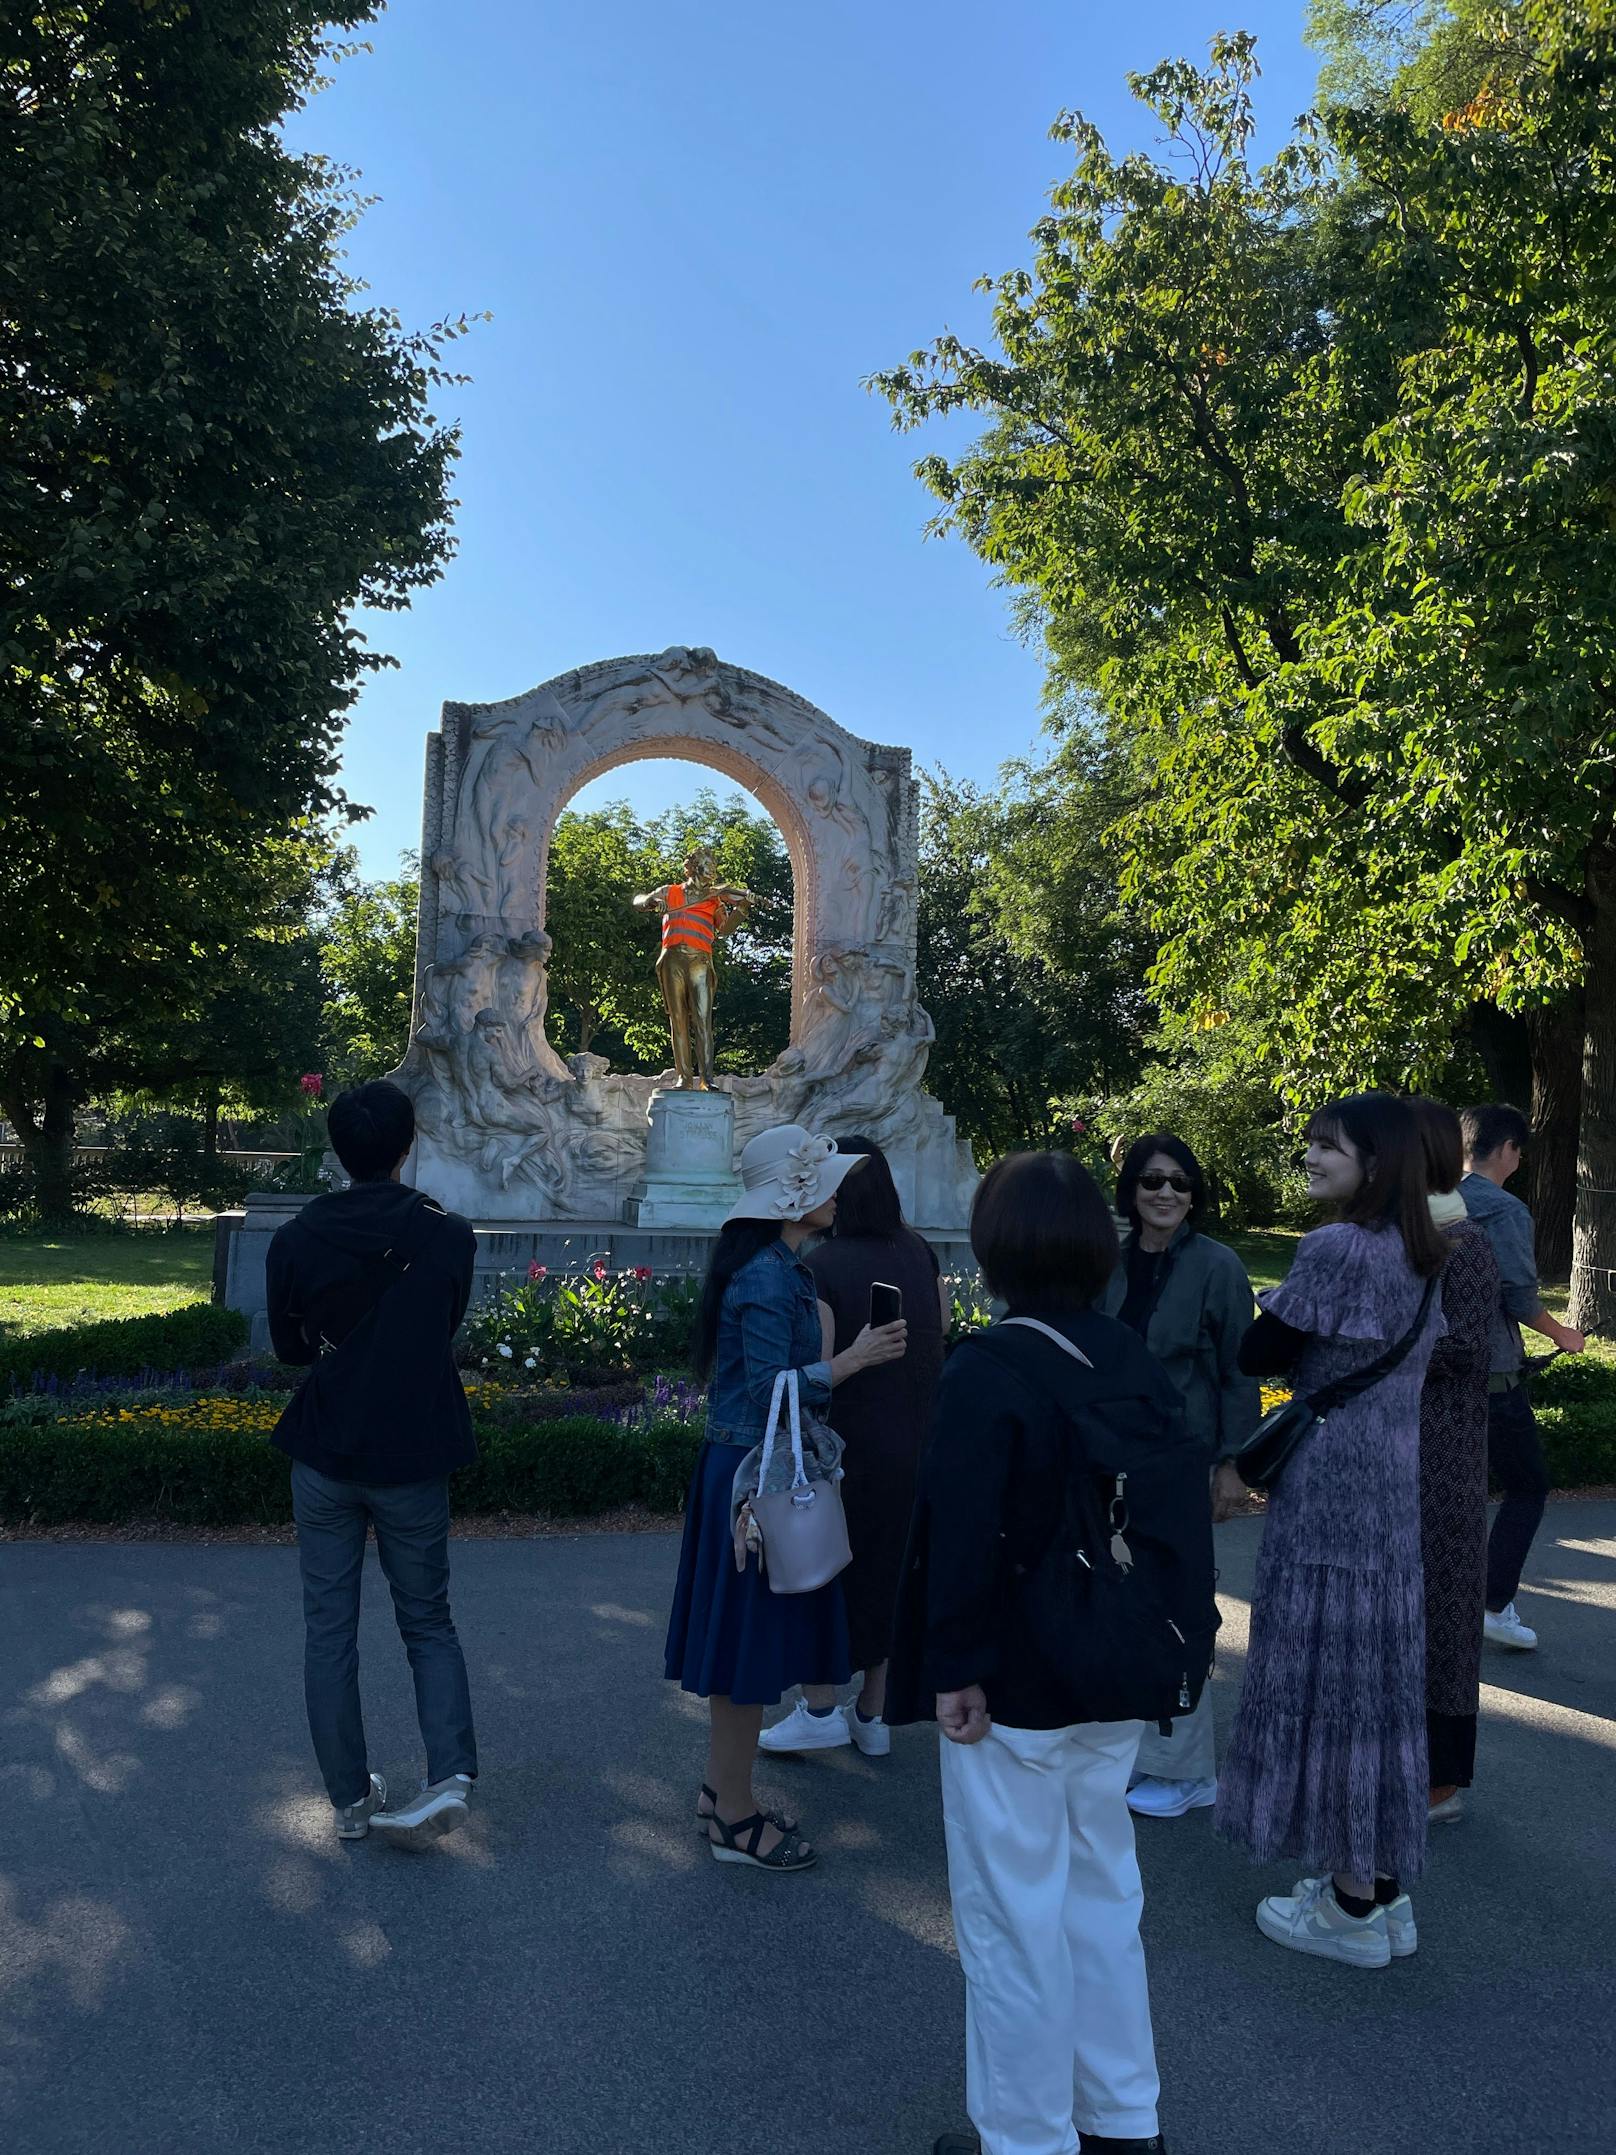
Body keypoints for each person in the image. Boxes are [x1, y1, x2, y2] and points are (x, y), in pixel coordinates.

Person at [890, 1151, 1194, 2155]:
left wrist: (952, 1667)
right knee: (1103, 1896)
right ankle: (1121, 2118)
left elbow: (960, 1536)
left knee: (1010, 1916)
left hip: (1012, 1679)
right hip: (1115, 1663)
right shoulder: (1128, 1355)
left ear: (994, 1245)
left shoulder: (988, 1366)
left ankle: (1024, 2136)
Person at [1213, 1092, 1446, 1967]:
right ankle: (1382, 1889)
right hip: (1390, 1498)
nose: (1309, 1156)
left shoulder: (1338, 1248)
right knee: (1378, 1686)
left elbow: (1258, 1354)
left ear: (1375, 1161)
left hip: (1330, 1495)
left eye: (1327, 1146)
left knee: (1329, 1685)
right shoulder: (1425, 1254)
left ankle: (1349, 1903)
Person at [663, 1124, 908, 1872]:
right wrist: (851, 1360)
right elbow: (772, 1389)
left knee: (743, 1650)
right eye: (826, 1181)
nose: (838, 1193)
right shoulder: (772, 1275)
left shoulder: (774, 1266)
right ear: (796, 1196)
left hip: (743, 1473)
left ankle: (721, 1794)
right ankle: (734, 1816)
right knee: (745, 1656)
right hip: (753, 1481)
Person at [266, 1080, 480, 1849]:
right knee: (427, 1619)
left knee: (329, 1628)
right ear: (406, 1144)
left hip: (326, 1446)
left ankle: (351, 1801)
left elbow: (290, 1349)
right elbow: (443, 1329)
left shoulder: (294, 1237)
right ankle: (450, 1773)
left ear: (337, 1149)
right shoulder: (448, 1234)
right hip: (414, 1448)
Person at [760, 1136, 948, 1759]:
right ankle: (873, 1713)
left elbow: (821, 1367)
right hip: (917, 1436)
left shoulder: (824, 1264)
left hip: (850, 1444)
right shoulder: (920, 1251)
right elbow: (940, 1333)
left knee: (828, 1571)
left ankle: (817, 1707)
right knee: (892, 1571)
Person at [1100, 1133, 1259, 1819]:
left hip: (1180, 1461)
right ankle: (1129, 1747)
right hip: (1106, 1458)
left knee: (1174, 1608)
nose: (1166, 1193)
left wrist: (1233, 1463)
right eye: (1151, 1180)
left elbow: (1238, 1371)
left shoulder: (1217, 1266)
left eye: (1180, 1182)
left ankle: (1186, 1768)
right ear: (1130, 1188)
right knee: (1116, 1605)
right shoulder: (1107, 1260)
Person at [1461, 1104, 1586, 1652]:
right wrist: (1563, 1334)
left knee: (1450, 1494)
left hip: (1430, 1374)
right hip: (1491, 1377)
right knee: (1528, 1486)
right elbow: (1517, 1295)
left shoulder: (1430, 1201)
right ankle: (1492, 1603)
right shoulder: (1501, 1209)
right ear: (1508, 1149)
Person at [1413, 1099, 1501, 1820]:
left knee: (1442, 1612)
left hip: (1442, 1461)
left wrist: (1365, 1339)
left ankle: (1442, 1781)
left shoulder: (1463, 1240)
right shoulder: (1403, 1236)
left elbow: (1466, 1347)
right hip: (1399, 1456)